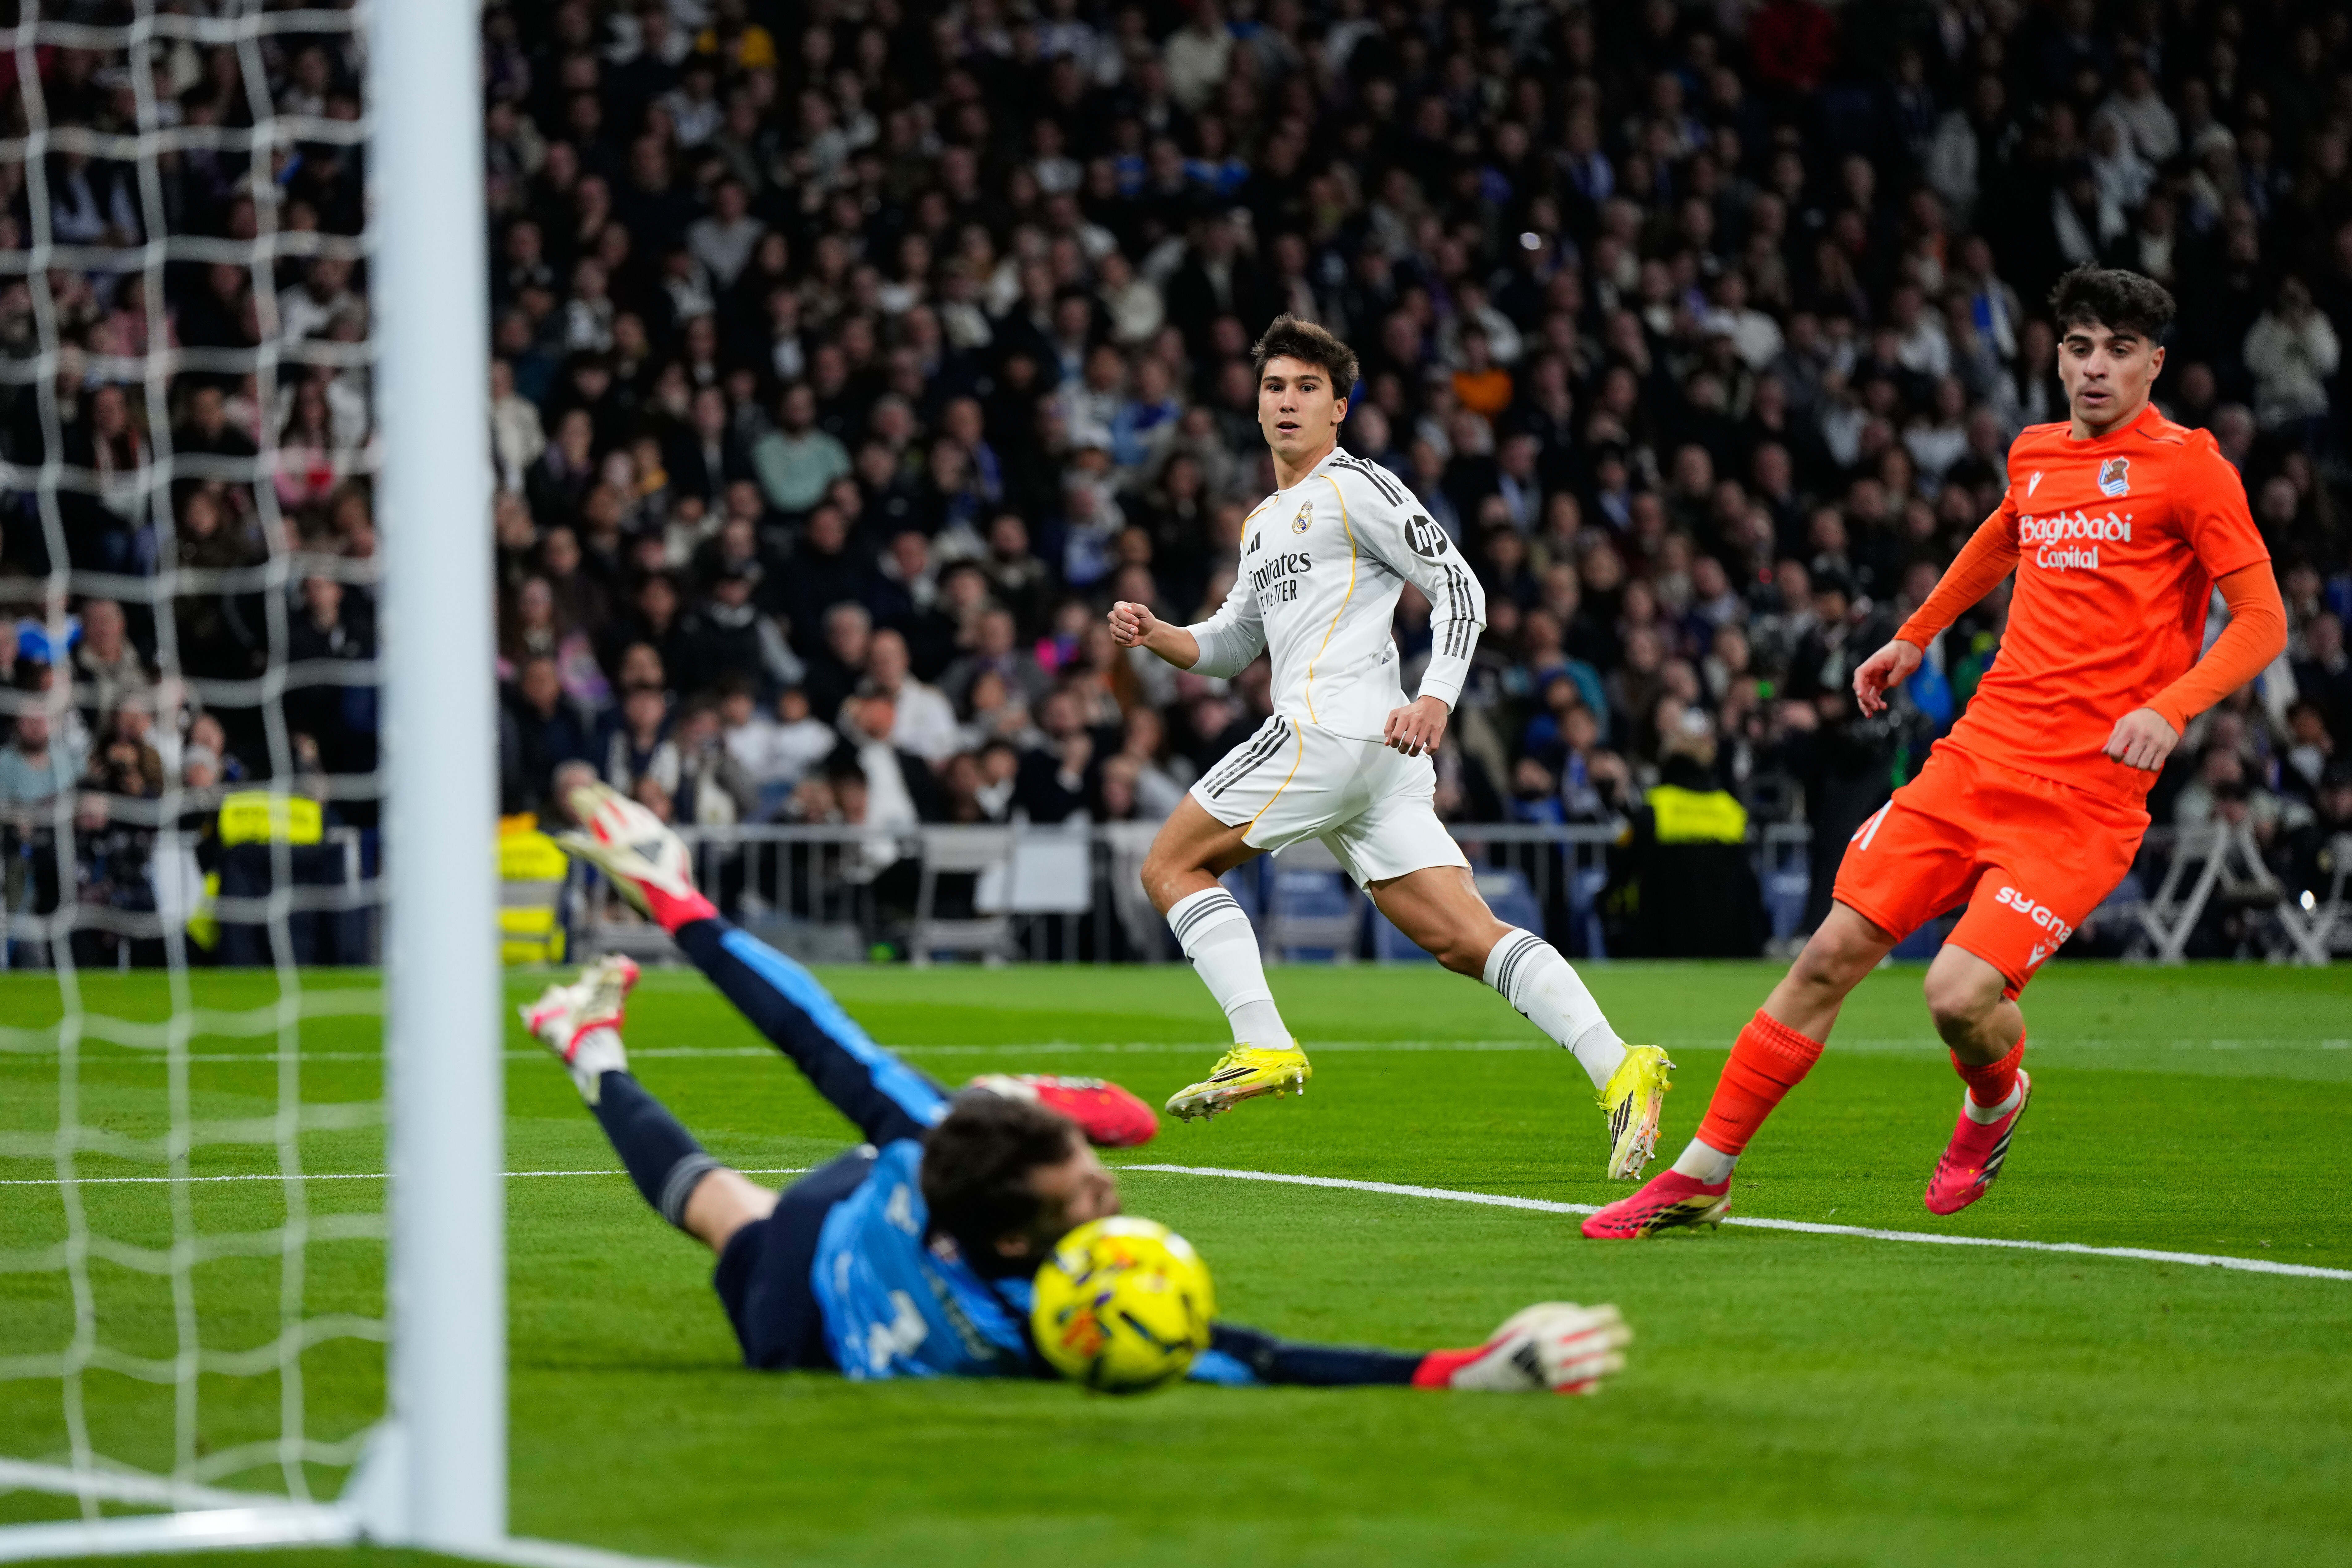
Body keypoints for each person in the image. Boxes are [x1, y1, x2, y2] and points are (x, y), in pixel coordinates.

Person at [1587, 266, 2288, 1239]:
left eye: (2120, 351)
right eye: (2080, 346)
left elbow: (2262, 619)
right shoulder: (2036, 454)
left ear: (2153, 364)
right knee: (1829, 952)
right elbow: (2001, 537)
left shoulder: (2192, 468)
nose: (2095, 368)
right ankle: (1704, 1172)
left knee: (1957, 996)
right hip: (1974, 759)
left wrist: (2173, 710)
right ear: (2056, 355)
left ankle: (1996, 1101)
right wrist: (1914, 634)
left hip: (2085, 797)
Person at [540, 782, 1631, 1392]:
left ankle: (588, 1047)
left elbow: (812, 1033)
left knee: (727, 1210)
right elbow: (1260, 1357)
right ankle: (588, 1049)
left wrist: (679, 899)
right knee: (723, 1210)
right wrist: (1455, 1370)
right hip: (818, 1317)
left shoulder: (937, 1146)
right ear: (1027, 1243)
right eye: (1090, 1188)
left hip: (816, 1284)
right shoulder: (1056, 1319)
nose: (1110, 1189)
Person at [1106, 316, 1670, 1178]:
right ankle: (1620, 1065)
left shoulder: (1356, 486)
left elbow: (1459, 587)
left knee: (1171, 866)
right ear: (1256, 408)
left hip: (1330, 730)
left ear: (1340, 407)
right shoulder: (1264, 522)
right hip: (1375, 762)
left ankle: (1262, 1042)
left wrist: (1438, 693)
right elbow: (1227, 648)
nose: (1287, 401)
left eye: (1306, 388)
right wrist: (1158, 634)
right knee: (1462, 936)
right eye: (1273, 387)